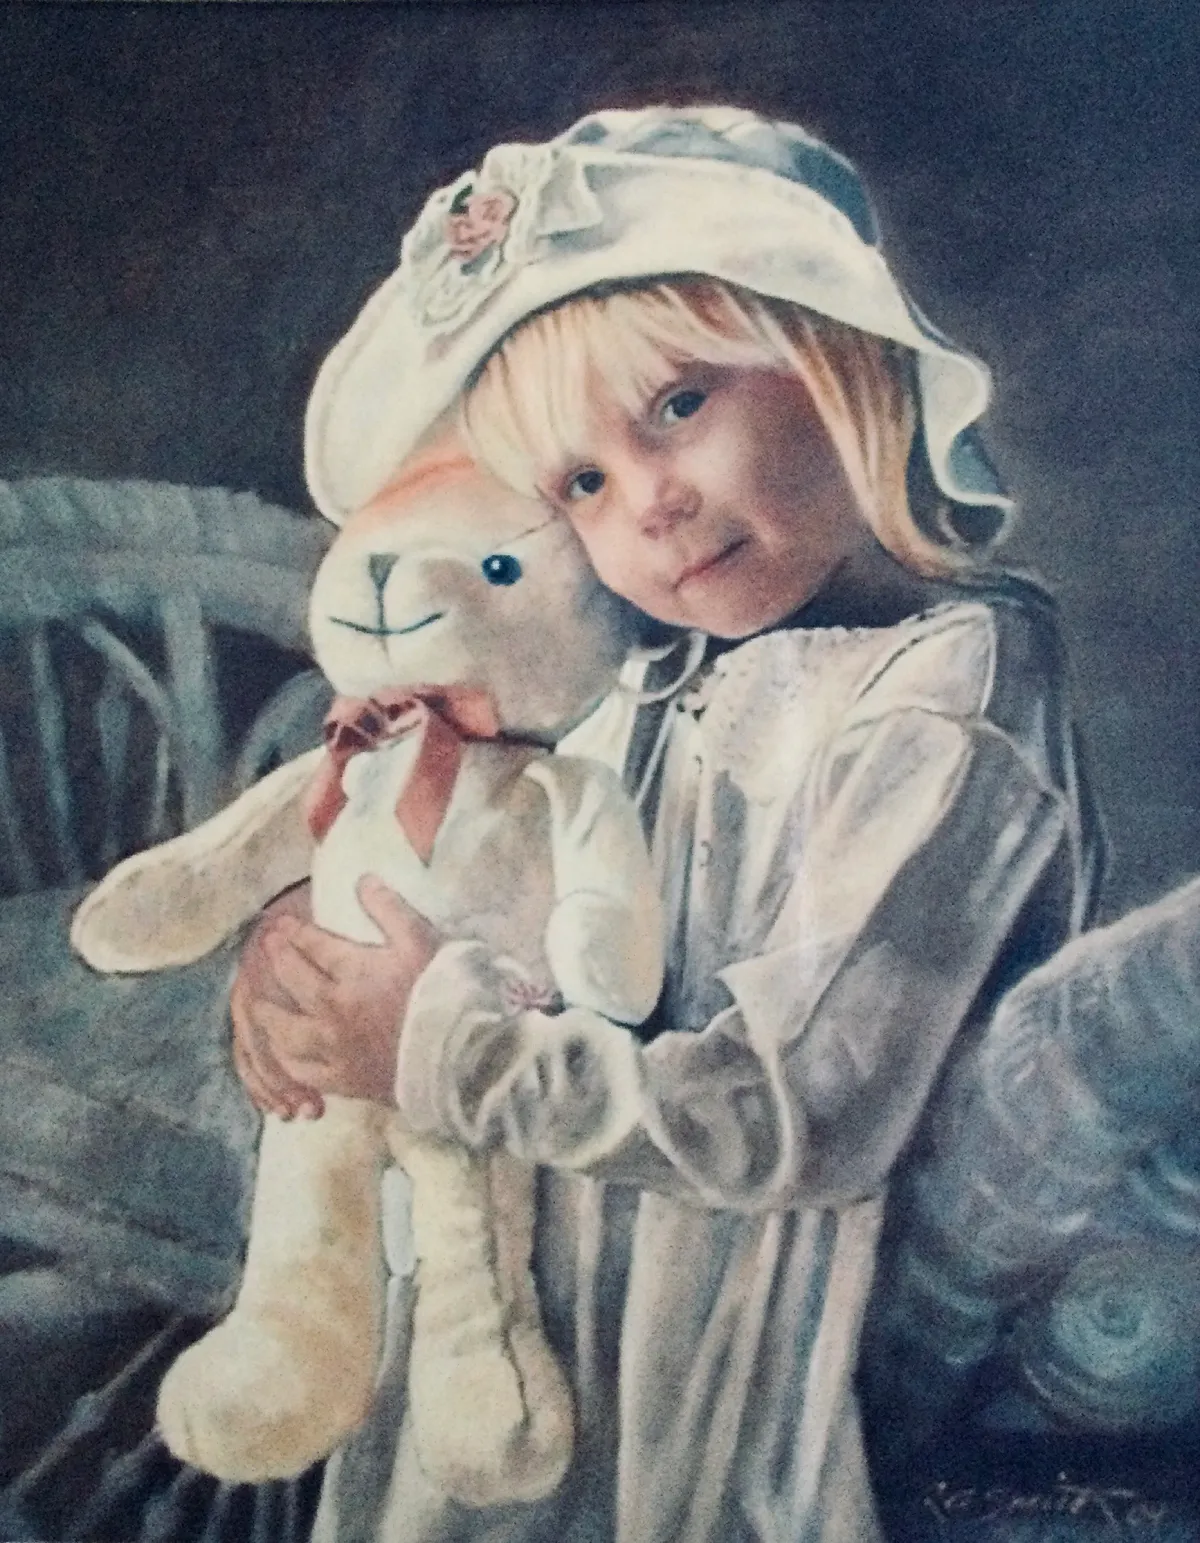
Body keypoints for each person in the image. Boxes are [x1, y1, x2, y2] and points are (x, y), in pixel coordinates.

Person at [231, 107, 1105, 1542]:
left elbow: (804, 1109)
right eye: (579, 482)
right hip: (557, 1324)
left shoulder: (950, 696)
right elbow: (482, 884)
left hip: (749, 1369)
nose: (649, 503)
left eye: (680, 405)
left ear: (838, 356)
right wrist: (317, 954)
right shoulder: (635, 674)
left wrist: (434, 1045)